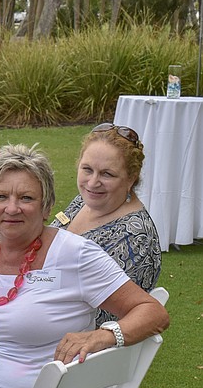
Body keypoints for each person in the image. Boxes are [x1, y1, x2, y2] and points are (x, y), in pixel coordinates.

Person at [0, 144, 169, 388]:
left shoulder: (76, 255)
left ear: (46, 207)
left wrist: (102, 335)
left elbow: (153, 312)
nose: (12, 208)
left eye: (26, 198)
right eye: (1, 197)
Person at [50, 123, 161, 325]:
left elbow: (103, 316)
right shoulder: (83, 202)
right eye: (87, 169)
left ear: (131, 179)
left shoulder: (136, 239)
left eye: (107, 174)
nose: (92, 183)